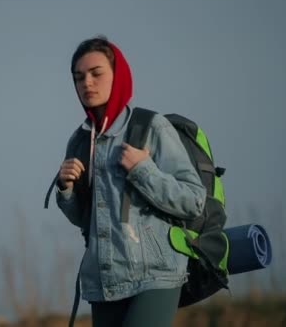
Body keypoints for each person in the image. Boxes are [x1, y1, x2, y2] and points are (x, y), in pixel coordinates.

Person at [55, 35, 207, 327]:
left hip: (154, 275)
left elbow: (193, 200)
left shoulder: (151, 127)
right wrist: (67, 189)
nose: (87, 83)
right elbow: (86, 220)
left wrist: (142, 170)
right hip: (104, 283)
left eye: (96, 73)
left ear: (118, 75)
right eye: (79, 77)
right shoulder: (79, 141)